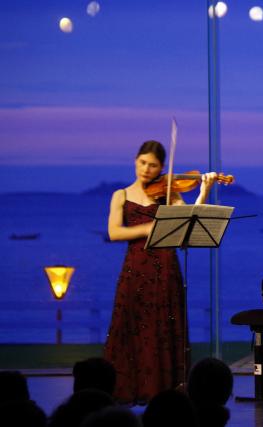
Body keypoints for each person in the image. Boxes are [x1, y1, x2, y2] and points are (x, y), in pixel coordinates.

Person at [104, 140, 219, 404]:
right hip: (135, 268)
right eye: (143, 162)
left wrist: (204, 190)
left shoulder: (169, 194)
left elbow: (190, 222)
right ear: (135, 161)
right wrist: (151, 229)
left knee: (164, 328)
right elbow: (114, 232)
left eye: (153, 165)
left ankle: (165, 394)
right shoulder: (120, 195)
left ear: (161, 168)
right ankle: (131, 390)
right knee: (131, 326)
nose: (146, 169)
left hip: (165, 267)